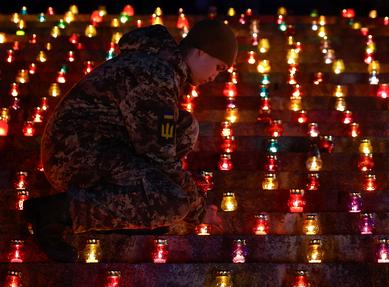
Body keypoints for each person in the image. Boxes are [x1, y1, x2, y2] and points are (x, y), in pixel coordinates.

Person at [23, 19, 238, 262]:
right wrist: (198, 209)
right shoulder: (155, 74)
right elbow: (160, 157)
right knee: (173, 202)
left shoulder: (160, 67)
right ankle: (56, 213)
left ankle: (123, 214)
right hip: (76, 154)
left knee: (185, 127)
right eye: (218, 68)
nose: (215, 77)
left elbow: (159, 148)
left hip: (101, 148)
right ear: (201, 51)